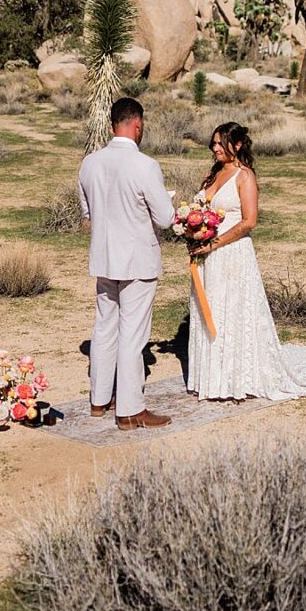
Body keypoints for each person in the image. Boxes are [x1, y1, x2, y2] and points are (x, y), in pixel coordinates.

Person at [185, 121, 306, 401]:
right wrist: (192, 232)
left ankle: (235, 378)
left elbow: (249, 221)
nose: (214, 148)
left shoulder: (244, 176)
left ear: (236, 145)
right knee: (210, 310)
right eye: (212, 143)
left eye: (220, 143)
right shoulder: (210, 175)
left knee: (232, 312)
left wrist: (214, 243)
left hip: (232, 254)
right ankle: (211, 377)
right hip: (206, 257)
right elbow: (200, 209)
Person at [77, 97, 177, 430]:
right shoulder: (145, 165)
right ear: (137, 124)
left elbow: (88, 213)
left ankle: (99, 400)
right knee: (133, 335)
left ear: (112, 125)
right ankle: (130, 409)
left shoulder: (90, 163)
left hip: (104, 257)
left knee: (104, 328)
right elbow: (165, 218)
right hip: (136, 260)